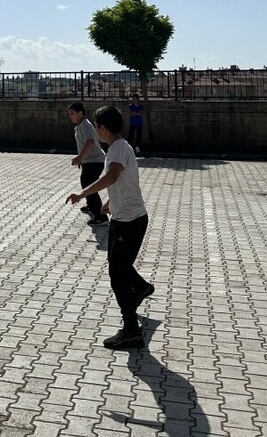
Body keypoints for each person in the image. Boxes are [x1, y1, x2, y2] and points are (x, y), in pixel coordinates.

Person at [65, 106, 153, 350]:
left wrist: (83, 193)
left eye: (98, 126)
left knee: (118, 274)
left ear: (103, 128)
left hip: (129, 222)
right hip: (125, 218)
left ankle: (131, 330)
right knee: (120, 269)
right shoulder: (120, 147)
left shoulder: (116, 149)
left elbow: (112, 176)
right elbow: (123, 181)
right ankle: (142, 290)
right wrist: (109, 202)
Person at [67, 102, 109, 227]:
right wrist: (82, 159)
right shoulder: (80, 125)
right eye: (69, 114)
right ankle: (91, 206)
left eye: (72, 113)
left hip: (95, 160)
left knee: (88, 184)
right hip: (90, 160)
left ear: (80, 113)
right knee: (87, 183)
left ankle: (101, 217)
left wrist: (80, 157)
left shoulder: (85, 125)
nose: (70, 116)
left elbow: (90, 142)